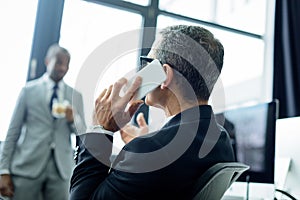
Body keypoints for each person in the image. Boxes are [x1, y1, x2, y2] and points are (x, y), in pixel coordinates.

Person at [70, 25, 235, 200]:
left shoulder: (150, 152)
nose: (142, 71)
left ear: (165, 74)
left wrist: (100, 130)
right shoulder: (221, 140)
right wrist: (143, 147)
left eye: (148, 63)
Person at [0, 44, 86, 200]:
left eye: (66, 64)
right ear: (47, 61)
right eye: (59, 62)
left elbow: (84, 134)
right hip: (27, 167)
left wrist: (74, 120)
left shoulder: (75, 96)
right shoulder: (28, 91)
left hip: (61, 171)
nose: (62, 68)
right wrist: (3, 170)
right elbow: (13, 132)